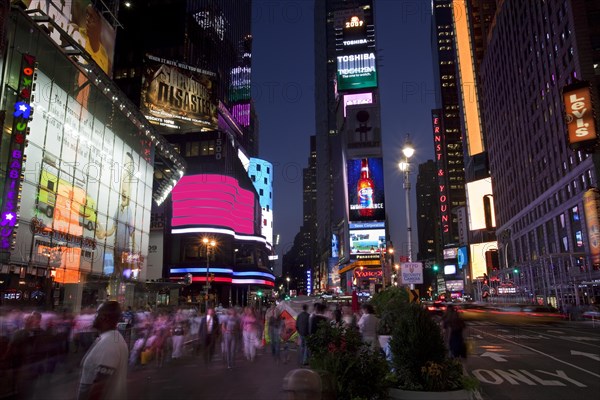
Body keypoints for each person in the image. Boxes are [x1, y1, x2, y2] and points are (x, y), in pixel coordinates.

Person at [77, 301, 128, 400]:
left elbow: (99, 387)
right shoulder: (111, 338)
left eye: (97, 313)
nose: (94, 317)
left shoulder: (109, 343)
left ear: (104, 317)